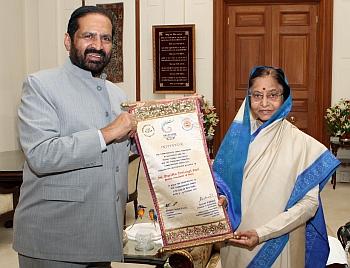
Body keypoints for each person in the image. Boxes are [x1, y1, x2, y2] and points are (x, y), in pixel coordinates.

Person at [13, 6, 137, 268]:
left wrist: (141, 140)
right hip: (55, 241)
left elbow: (115, 157)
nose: (98, 45)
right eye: (88, 36)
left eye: (105, 38)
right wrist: (110, 132)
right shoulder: (41, 85)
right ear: (69, 40)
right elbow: (41, 156)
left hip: (103, 236)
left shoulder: (117, 95)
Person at [213, 66, 340, 267]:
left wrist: (263, 233)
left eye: (273, 95)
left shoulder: (302, 144)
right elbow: (224, 187)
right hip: (236, 242)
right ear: (249, 98)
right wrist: (222, 200)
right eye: (257, 95)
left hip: (281, 242)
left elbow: (309, 204)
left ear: (285, 97)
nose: (264, 104)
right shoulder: (235, 143)